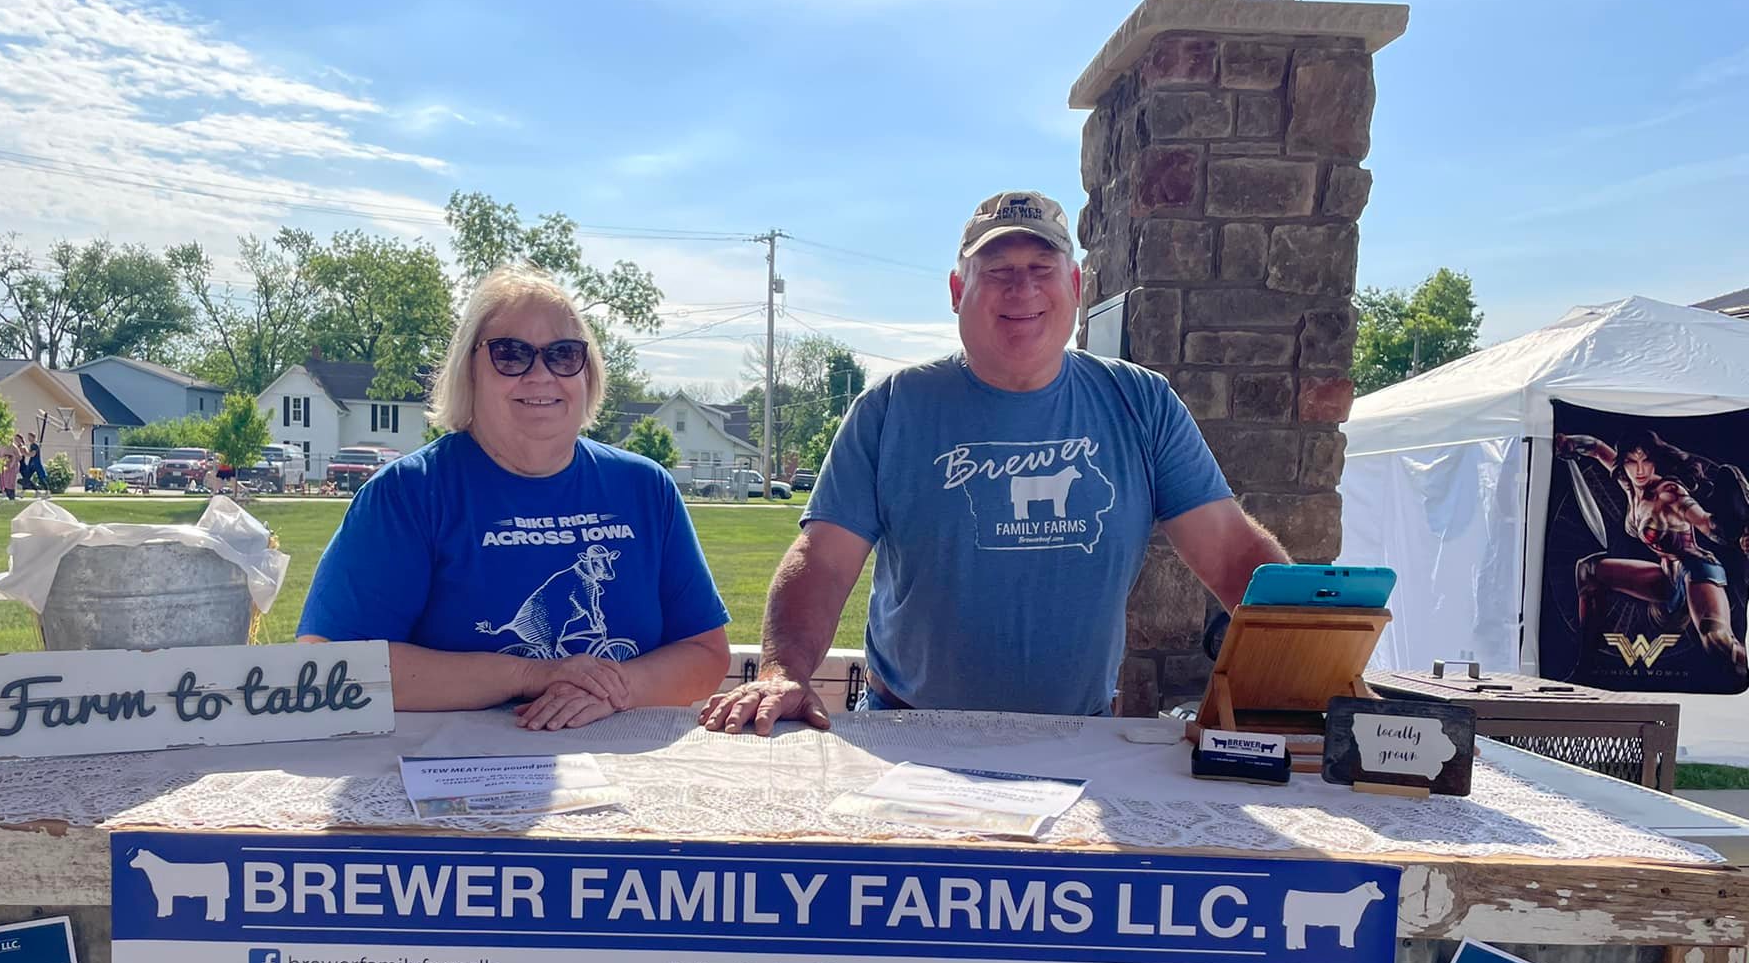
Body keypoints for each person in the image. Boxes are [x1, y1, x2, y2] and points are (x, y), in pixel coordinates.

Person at [702, 190, 1287, 732]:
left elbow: (1232, 552)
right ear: (959, 291)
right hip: (913, 732)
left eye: (1041, 269)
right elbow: (824, 560)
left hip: (1077, 733)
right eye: (998, 271)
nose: (1022, 289)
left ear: (1076, 285)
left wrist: (1304, 658)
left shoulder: (1142, 402)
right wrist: (785, 673)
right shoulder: (892, 407)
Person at [298, 265, 731, 730]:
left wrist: (611, 689)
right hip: (445, 777)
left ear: (587, 373)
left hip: (619, 769)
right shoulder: (407, 494)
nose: (540, 374)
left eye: (564, 355)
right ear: (470, 370)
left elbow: (704, 653)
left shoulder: (646, 488)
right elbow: (331, 666)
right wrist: (532, 674)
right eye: (511, 354)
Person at [1557, 428, 1749, 681]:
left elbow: (1706, 524)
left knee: (1717, 641)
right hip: (1667, 576)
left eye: (1646, 460)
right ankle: (1585, 666)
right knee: (1588, 570)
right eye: (1631, 461)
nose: (1639, 470)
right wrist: (1567, 443)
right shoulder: (1628, 483)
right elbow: (1594, 446)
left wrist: (1737, 536)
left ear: (1655, 460)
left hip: (1696, 570)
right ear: (1623, 462)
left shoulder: (1669, 492)